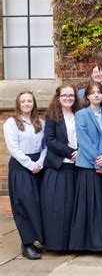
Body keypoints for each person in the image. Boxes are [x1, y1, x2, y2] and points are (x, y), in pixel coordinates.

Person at [3, 92, 47, 259]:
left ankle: (38, 240)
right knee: (24, 204)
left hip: (38, 165)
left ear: (34, 103)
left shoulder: (40, 122)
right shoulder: (11, 123)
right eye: (23, 101)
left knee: (38, 204)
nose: (27, 103)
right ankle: (26, 244)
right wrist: (30, 164)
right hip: (21, 166)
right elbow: (14, 148)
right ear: (18, 104)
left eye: (29, 101)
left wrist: (40, 163)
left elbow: (45, 146)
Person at [69, 82, 102, 252]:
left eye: (99, 92)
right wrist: (97, 161)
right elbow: (83, 141)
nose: (96, 95)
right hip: (88, 166)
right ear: (86, 96)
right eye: (92, 93)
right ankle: (88, 244)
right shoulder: (81, 114)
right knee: (89, 205)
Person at [41, 84, 80, 251]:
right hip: (58, 167)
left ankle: (73, 244)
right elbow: (50, 140)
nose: (68, 98)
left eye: (71, 95)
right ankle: (57, 244)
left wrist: (81, 152)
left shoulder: (80, 114)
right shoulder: (51, 116)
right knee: (57, 208)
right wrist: (71, 152)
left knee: (73, 208)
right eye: (64, 95)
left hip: (77, 167)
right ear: (58, 97)